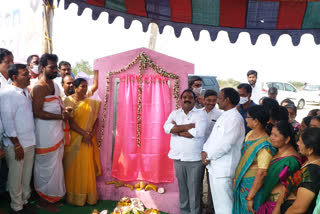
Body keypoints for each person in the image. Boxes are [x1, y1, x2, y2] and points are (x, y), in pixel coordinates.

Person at [31, 53, 70, 212]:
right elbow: (38, 112)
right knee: (45, 167)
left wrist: (64, 112)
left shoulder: (56, 86)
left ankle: (52, 198)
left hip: (56, 132)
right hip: (44, 134)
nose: (55, 70)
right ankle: (42, 200)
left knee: (56, 167)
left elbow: (56, 105)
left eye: (56, 67)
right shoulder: (39, 87)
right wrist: (60, 116)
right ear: (42, 68)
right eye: (51, 67)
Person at [202, 88, 245, 214]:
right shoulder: (225, 115)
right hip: (215, 166)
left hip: (224, 169)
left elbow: (226, 144)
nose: (217, 102)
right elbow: (213, 138)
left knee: (225, 206)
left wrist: (208, 156)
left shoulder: (234, 119)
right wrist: (204, 151)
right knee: (219, 205)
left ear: (227, 100)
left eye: (219, 98)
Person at [164, 89, 207, 214]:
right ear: (181, 100)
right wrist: (189, 126)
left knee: (194, 191)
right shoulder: (175, 114)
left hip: (194, 159)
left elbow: (198, 133)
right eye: (184, 97)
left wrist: (176, 129)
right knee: (183, 189)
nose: (187, 99)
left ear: (194, 100)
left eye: (190, 97)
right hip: (178, 158)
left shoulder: (200, 114)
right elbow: (167, 128)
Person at [0, 64, 36, 214]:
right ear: (14, 77)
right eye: (24, 74)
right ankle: (17, 207)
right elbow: (8, 121)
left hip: (29, 141)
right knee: (15, 177)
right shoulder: (7, 93)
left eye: (28, 73)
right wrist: (16, 144)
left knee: (26, 176)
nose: (29, 76)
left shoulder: (25, 92)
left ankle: (24, 201)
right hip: (16, 144)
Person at [63, 78, 101, 206]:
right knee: (72, 167)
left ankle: (86, 197)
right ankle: (73, 197)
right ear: (75, 87)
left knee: (85, 166)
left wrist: (89, 135)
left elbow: (96, 119)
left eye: (86, 86)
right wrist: (83, 133)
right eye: (82, 87)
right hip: (74, 138)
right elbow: (70, 121)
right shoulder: (68, 100)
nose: (84, 89)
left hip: (87, 139)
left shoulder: (91, 102)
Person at [233, 105, 276, 214]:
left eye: (248, 117)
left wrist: (250, 197)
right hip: (242, 180)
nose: (245, 119)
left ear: (256, 121)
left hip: (252, 185)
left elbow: (262, 172)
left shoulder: (265, 145)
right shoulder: (250, 134)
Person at [257, 121, 301, 213]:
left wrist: (276, 210)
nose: (271, 138)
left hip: (275, 205)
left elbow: (286, 188)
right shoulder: (276, 152)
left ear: (287, 139)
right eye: (271, 134)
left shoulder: (291, 161)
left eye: (275, 135)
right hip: (267, 201)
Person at [274, 128, 320, 214]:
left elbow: (298, 208)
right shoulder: (310, 162)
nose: (298, 143)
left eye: (301, 142)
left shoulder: (313, 171)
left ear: (310, 150)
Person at [201, 89, 222, 214]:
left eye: (214, 100)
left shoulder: (220, 115)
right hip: (198, 152)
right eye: (208, 100)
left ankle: (210, 209)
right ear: (204, 99)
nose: (211, 103)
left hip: (212, 154)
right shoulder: (197, 113)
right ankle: (199, 206)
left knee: (211, 183)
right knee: (197, 182)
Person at [0, 48, 13, 203]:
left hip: (9, 132)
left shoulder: (12, 81)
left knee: (4, 167)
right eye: (7, 61)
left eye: (12, 61)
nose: (11, 64)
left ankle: (2, 192)